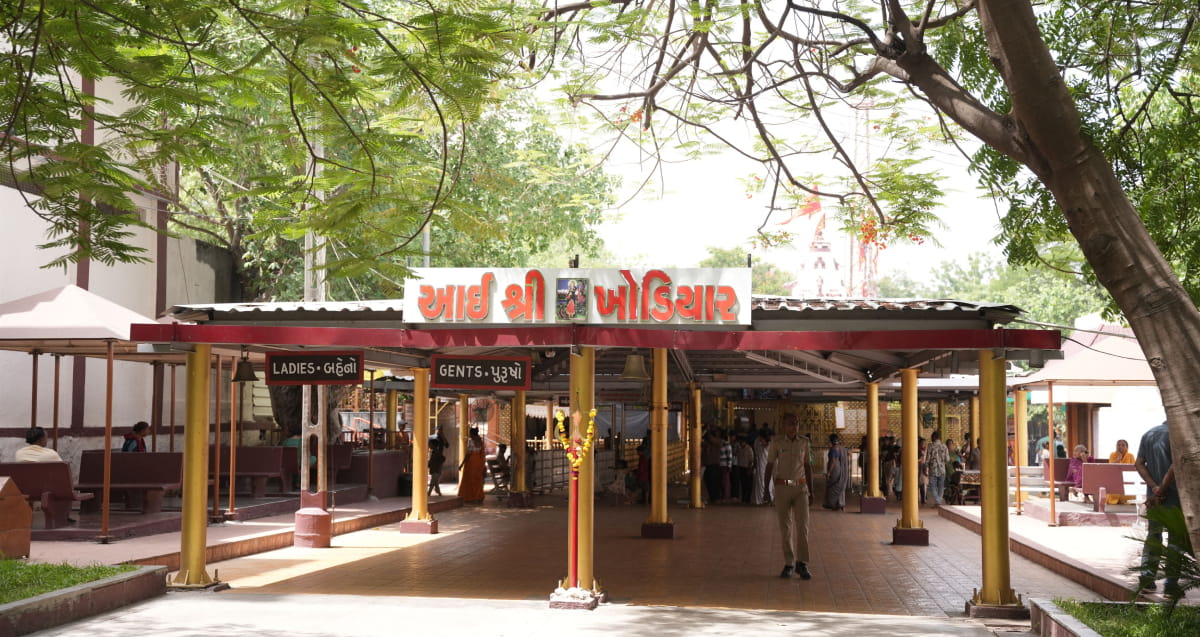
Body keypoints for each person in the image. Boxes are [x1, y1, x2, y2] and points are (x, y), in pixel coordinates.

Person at [764, 413, 814, 580]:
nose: (794, 426)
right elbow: (769, 465)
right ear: (784, 426)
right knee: (785, 528)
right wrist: (765, 489)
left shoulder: (805, 442)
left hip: (801, 488)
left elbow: (808, 466)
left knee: (803, 527)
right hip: (782, 487)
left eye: (796, 423)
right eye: (791, 424)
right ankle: (789, 563)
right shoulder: (776, 442)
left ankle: (803, 563)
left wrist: (811, 490)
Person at [1136, 422, 1182, 597]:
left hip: (1154, 500)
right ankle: (1171, 584)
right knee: (1176, 541)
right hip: (1175, 498)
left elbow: (1139, 464)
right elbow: (1174, 467)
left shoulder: (1149, 434)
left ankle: (1147, 579)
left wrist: (1154, 488)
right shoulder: (1179, 435)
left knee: (1153, 536)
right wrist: (1161, 490)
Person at [458, 427, 486, 504]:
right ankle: (478, 496)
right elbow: (483, 454)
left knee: (469, 480)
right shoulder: (481, 441)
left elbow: (468, 454)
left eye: (470, 433)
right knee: (478, 480)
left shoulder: (471, 441)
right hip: (479, 463)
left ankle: (470, 497)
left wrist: (462, 464)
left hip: (471, 463)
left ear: (472, 434)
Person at [822, 433, 848, 511]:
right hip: (840, 468)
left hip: (834, 469)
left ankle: (833, 504)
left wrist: (829, 472)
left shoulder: (833, 449)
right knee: (839, 485)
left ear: (831, 441)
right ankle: (840, 503)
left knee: (832, 486)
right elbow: (848, 453)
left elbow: (833, 461)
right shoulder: (841, 448)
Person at [1106, 439, 1135, 505]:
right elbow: (1110, 468)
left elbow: (1133, 468)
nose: (1120, 446)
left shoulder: (1131, 455)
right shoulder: (1112, 454)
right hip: (1115, 478)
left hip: (1127, 478)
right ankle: (1115, 499)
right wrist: (1118, 459)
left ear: (1127, 447)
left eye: (1123, 445)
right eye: (1118, 445)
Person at [925, 431, 949, 506]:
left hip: (933, 469)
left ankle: (937, 501)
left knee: (932, 486)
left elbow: (927, 459)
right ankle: (938, 501)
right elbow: (947, 459)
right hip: (942, 470)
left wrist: (926, 466)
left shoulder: (930, 446)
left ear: (934, 437)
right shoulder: (944, 446)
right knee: (941, 486)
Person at [752, 429, 773, 505]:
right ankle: (761, 501)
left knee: (769, 484)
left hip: (768, 468)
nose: (761, 440)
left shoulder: (771, 445)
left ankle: (768, 499)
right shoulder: (757, 443)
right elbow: (756, 455)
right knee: (760, 484)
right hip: (760, 467)